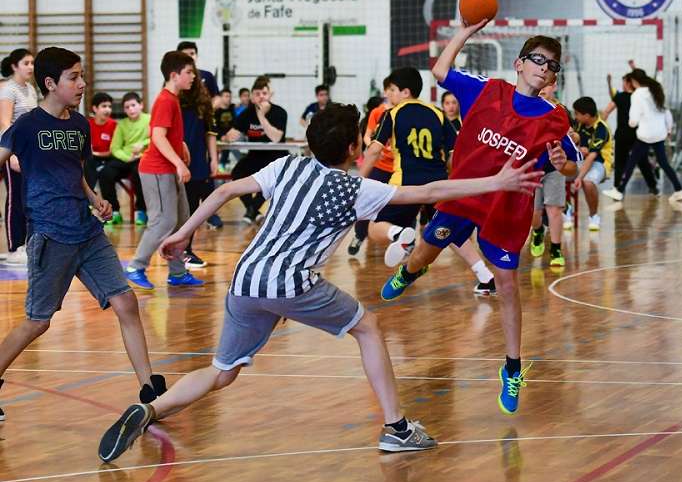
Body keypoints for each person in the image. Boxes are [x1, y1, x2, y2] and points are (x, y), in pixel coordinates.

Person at [96, 103, 543, 462]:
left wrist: (181, 232)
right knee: (368, 326)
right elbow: (428, 194)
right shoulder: (354, 189)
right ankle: (397, 427)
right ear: (353, 147)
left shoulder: (287, 168)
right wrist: (496, 181)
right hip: (290, 282)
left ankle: (149, 409)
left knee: (222, 371)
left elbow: (225, 191)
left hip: (246, 278)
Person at [381, 22, 579, 415]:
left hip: (506, 208)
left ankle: (512, 367)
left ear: (554, 76)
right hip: (463, 195)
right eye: (537, 60)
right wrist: (467, 29)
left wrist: (563, 165)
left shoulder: (555, 119)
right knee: (424, 254)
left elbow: (572, 167)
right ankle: (409, 271)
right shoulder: (487, 90)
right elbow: (439, 72)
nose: (544, 67)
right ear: (519, 63)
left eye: (552, 65)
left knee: (507, 284)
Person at [0, 46, 166, 423]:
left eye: (82, 76)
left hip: (86, 231)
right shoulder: (26, 127)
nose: (82, 84)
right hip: (50, 235)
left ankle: (148, 388)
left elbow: (74, 170)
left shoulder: (79, 125)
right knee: (38, 321)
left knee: (126, 302)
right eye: (74, 77)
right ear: (50, 83)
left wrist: (97, 199)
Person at [359, 68, 497, 295]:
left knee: (373, 228)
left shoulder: (392, 113)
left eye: (392, 90)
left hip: (406, 182)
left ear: (405, 91)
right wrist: (453, 181)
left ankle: (398, 235)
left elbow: (374, 151)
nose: (389, 95)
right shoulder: (437, 112)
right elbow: (454, 153)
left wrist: (358, 182)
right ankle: (485, 276)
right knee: (448, 231)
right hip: (438, 182)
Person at [124, 51, 204, 290]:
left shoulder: (173, 98)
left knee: (181, 221)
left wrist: (182, 145)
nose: (193, 77)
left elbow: (166, 133)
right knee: (163, 221)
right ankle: (135, 266)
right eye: (189, 72)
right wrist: (179, 163)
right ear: (174, 74)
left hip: (168, 169)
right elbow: (157, 136)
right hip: (157, 171)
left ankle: (178, 274)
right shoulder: (165, 100)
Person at [602, 69, 682, 203]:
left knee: (630, 163)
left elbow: (634, 119)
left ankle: (618, 190)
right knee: (663, 164)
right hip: (659, 134)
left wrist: (631, 123)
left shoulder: (638, 94)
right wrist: (669, 129)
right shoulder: (656, 90)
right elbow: (667, 112)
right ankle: (679, 190)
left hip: (645, 134)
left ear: (634, 81)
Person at [223, 76, 288, 223]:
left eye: (264, 93)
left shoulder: (280, 112)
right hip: (255, 155)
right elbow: (233, 132)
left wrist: (261, 116)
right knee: (237, 173)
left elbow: (276, 138)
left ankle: (252, 210)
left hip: (276, 157)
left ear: (270, 95)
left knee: (272, 180)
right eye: (257, 94)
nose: (261, 97)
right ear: (252, 96)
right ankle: (253, 210)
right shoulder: (247, 113)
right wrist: (229, 136)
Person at [528, 81, 578, 266]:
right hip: (532, 168)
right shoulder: (525, 106)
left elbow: (573, 133)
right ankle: (538, 230)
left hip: (554, 168)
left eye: (546, 85)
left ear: (554, 86)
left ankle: (556, 249)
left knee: (554, 209)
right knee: (535, 211)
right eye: (539, 85)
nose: (542, 89)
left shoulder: (560, 110)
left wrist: (574, 137)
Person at [347, 82, 395, 256]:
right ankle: (359, 235)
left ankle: (401, 241)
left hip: (399, 169)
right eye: (389, 90)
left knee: (402, 204)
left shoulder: (407, 113)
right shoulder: (377, 112)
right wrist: (375, 147)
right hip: (379, 166)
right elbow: (367, 136)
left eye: (394, 89)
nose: (392, 93)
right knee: (367, 200)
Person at [0, 49, 38, 263]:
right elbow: (5, 123)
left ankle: (28, 243)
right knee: (15, 197)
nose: (31, 67)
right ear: (15, 66)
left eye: (32, 62)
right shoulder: (7, 90)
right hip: (11, 150)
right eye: (26, 63)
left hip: (30, 151)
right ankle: (15, 247)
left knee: (29, 197)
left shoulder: (31, 89)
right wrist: (12, 154)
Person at [180, 74, 220, 268]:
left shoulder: (204, 105)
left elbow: (210, 134)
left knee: (193, 207)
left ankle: (185, 251)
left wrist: (214, 158)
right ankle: (178, 251)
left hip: (197, 163)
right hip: (177, 163)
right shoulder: (172, 101)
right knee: (176, 212)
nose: (191, 77)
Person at [99, 92, 149, 227]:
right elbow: (115, 148)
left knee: (138, 173)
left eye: (133, 105)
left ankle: (141, 211)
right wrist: (127, 158)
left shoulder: (149, 119)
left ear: (141, 105)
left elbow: (156, 138)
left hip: (143, 157)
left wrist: (143, 144)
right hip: (126, 158)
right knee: (105, 173)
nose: (131, 109)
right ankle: (114, 211)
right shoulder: (121, 124)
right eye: (127, 107)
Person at [603, 70, 657, 194]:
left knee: (620, 162)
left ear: (629, 83)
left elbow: (606, 111)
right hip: (638, 135)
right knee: (643, 162)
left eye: (624, 82)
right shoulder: (641, 97)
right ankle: (653, 186)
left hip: (623, 135)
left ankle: (617, 188)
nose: (622, 84)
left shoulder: (621, 97)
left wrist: (601, 127)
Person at [571, 96, 612, 231]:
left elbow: (591, 157)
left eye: (577, 113)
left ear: (587, 115)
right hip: (581, 160)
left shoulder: (601, 129)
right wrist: (578, 147)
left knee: (587, 182)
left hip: (599, 163)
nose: (575, 117)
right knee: (559, 175)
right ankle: (566, 212)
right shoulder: (578, 124)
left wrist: (579, 177)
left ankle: (594, 216)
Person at [85, 92, 116, 192]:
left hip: (108, 159)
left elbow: (113, 151)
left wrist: (94, 153)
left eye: (109, 106)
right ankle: (88, 199)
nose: (108, 109)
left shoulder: (115, 125)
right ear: (95, 108)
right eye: (104, 106)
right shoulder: (87, 125)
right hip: (91, 160)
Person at [215, 88, 237, 170]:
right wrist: (221, 136)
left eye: (230, 96)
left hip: (230, 137)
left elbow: (235, 123)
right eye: (226, 96)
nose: (229, 98)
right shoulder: (216, 111)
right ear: (221, 97)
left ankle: (223, 166)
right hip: (219, 137)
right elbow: (215, 127)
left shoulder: (232, 108)